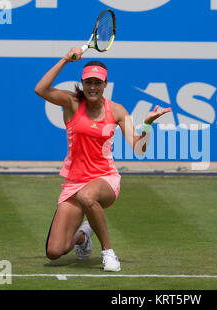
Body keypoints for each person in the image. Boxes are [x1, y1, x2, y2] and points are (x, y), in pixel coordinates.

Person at [35, 47, 171, 272]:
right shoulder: (71, 103)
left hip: (104, 179)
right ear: (82, 82)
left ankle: (108, 253)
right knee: (54, 252)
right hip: (74, 182)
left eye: (98, 83)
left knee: (88, 196)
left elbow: (139, 148)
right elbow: (41, 89)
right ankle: (83, 236)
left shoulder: (116, 111)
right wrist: (65, 60)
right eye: (88, 82)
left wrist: (147, 124)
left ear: (106, 84)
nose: (92, 87)